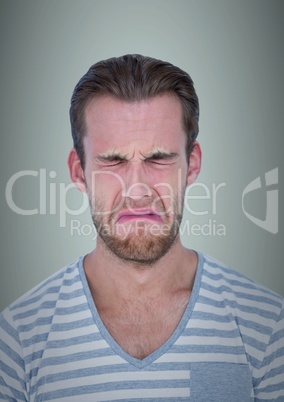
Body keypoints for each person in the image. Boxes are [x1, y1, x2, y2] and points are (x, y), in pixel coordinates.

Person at [0, 54, 283, 402]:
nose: (137, 190)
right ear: (78, 171)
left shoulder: (268, 327)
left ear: (192, 165)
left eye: (158, 158)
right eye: (113, 160)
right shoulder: (17, 339)